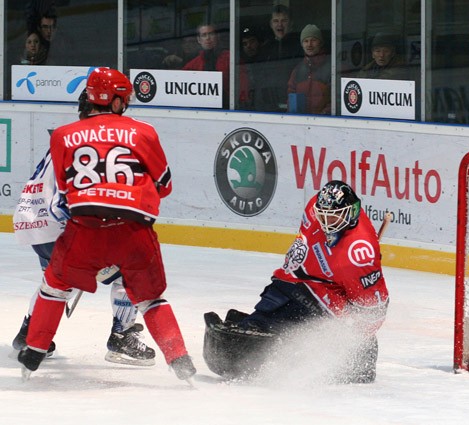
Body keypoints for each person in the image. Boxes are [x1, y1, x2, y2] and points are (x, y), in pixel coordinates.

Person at [17, 67, 196, 382]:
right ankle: (170, 356)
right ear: (116, 101)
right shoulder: (142, 131)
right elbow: (164, 185)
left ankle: (31, 350)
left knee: (54, 287)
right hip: (128, 230)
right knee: (145, 293)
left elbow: (66, 190)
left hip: (64, 227)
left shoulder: (63, 135)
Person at [12, 89, 156, 367]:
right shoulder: (94, 141)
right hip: (57, 225)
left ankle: (29, 335)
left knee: (56, 283)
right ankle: (122, 337)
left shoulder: (72, 135)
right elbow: (65, 200)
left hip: (34, 222)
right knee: (130, 270)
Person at [203, 180, 389, 383]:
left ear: (350, 213)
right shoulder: (314, 208)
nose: (326, 221)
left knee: (289, 323)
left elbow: (373, 311)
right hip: (296, 279)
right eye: (323, 214)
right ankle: (261, 323)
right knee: (270, 309)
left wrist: (351, 339)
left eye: (333, 216)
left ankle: (352, 358)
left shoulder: (359, 256)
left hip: (325, 297)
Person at [253, 5, 304, 112]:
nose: (279, 24)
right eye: (276, 21)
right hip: (268, 105)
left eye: (284, 20)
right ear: (271, 24)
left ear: (291, 23)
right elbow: (259, 80)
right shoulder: (264, 49)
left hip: (292, 103)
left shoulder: (300, 47)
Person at [286, 24, 331, 115]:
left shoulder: (332, 68)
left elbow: (338, 99)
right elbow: (291, 97)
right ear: (302, 44)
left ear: (320, 43)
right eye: (306, 41)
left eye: (313, 40)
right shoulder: (297, 70)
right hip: (301, 121)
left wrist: (324, 114)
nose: (309, 44)